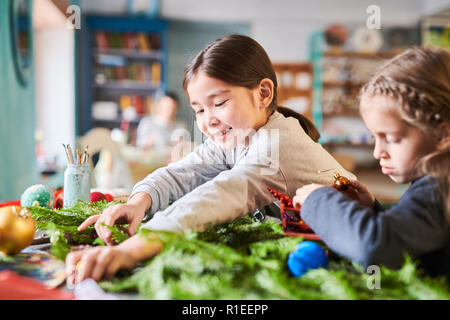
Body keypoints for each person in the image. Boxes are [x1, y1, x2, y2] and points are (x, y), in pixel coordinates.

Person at [65, 34, 355, 284]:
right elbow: (182, 172)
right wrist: (137, 201)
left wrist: (130, 251)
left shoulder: (276, 144)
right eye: (199, 110)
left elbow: (221, 194)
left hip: (360, 240)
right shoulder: (237, 136)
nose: (208, 121)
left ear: (263, 93)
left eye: (219, 103)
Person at [293, 46, 450, 278]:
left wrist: (319, 201)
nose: (378, 152)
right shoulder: (432, 182)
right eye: (375, 137)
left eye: (392, 138)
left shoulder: (440, 188)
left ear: (442, 136)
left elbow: (376, 247)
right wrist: (372, 210)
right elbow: (408, 241)